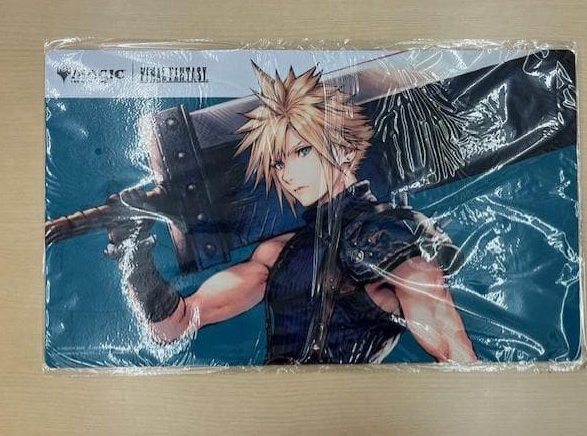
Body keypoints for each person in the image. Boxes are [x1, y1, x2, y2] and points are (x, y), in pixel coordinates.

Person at [107, 63, 477, 364]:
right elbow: (176, 326)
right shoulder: (277, 253)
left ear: (346, 150)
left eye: (302, 151)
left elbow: (452, 348)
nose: (288, 173)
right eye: (278, 162)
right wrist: (136, 259)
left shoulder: (391, 233)